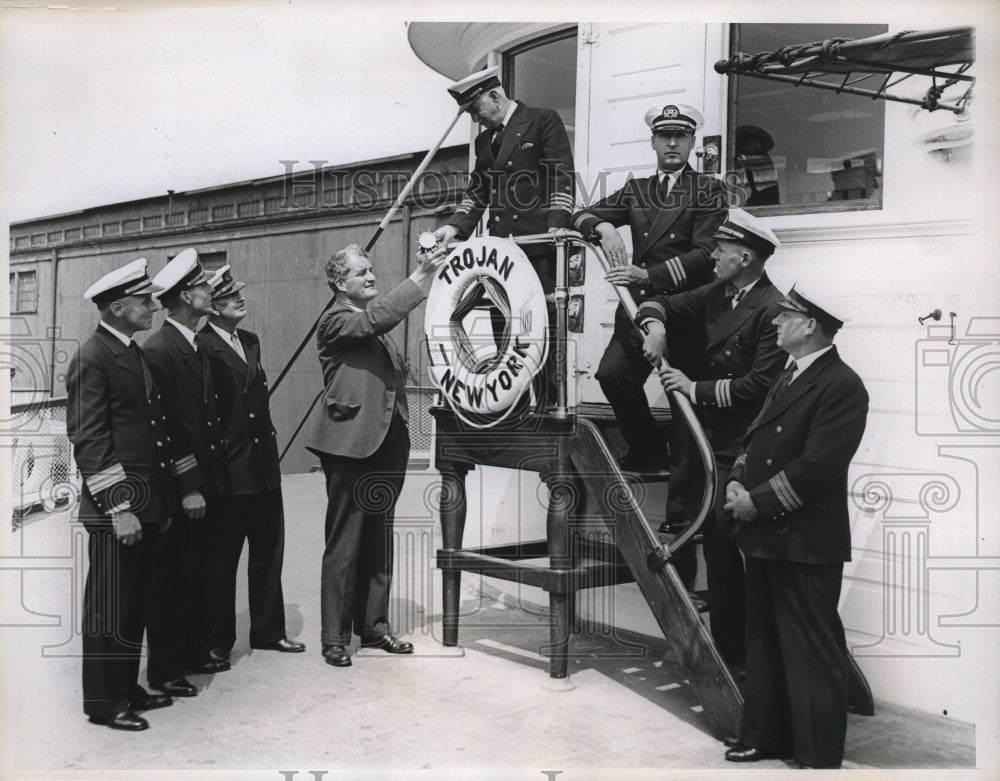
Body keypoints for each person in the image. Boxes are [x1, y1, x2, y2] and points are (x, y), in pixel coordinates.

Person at [722, 284, 869, 769]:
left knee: (811, 646)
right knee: (762, 640)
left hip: (805, 539)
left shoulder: (842, 384)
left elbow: (816, 467)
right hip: (768, 533)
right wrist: (738, 480)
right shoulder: (789, 374)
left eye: (786, 317)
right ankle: (765, 736)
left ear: (810, 326)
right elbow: (757, 438)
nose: (776, 323)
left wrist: (755, 504)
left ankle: (818, 751)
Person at [636, 208, 787, 671]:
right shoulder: (719, 293)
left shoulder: (772, 309)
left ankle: (743, 656)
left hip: (742, 446)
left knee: (729, 547)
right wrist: (657, 325)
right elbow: (659, 299)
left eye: (721, 251)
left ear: (744, 258)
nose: (713, 256)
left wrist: (693, 388)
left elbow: (758, 385)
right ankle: (726, 653)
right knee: (710, 541)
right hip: (705, 439)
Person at [305, 242, 447, 668]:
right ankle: (334, 637)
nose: (370, 276)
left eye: (371, 270)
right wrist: (421, 276)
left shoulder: (372, 327)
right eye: (361, 272)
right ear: (339, 283)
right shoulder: (335, 320)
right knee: (345, 541)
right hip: (351, 445)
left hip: (386, 443)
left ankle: (373, 628)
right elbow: (376, 318)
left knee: (378, 539)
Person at [572, 103, 727, 476]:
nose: (672, 144)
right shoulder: (636, 190)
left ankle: (684, 506)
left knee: (684, 401)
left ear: (692, 142)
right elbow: (577, 214)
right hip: (641, 311)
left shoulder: (709, 189)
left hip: (686, 309)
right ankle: (648, 448)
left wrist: (648, 276)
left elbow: (707, 253)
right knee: (613, 373)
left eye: (681, 136)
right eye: (664, 137)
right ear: (653, 142)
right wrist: (603, 227)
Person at [66, 258, 177, 730]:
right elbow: (89, 438)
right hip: (120, 507)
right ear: (116, 307)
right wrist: (119, 507)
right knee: (111, 605)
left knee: (134, 602)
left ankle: (127, 687)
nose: (153, 306)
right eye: (143, 301)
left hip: (145, 502)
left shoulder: (131, 352)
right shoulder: (93, 357)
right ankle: (104, 702)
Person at [196, 266, 306, 657]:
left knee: (268, 553)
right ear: (211, 306)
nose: (239, 299)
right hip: (230, 470)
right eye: (228, 295)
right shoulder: (202, 345)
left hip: (262, 467)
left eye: (238, 292)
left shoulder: (250, 339)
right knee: (222, 561)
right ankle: (216, 643)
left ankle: (268, 631)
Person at [144, 248, 231, 695]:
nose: (209, 291)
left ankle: (194, 650)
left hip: (209, 483)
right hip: (184, 487)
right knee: (173, 580)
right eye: (201, 287)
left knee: (201, 573)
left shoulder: (192, 344)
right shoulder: (159, 350)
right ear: (182, 297)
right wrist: (190, 485)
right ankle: (165, 668)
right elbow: (168, 428)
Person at [433, 66, 575, 295]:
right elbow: (478, 191)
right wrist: (454, 226)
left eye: (477, 110)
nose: (476, 118)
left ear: (495, 97)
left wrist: (558, 223)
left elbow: (562, 174)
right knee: (503, 320)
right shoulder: (483, 141)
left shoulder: (542, 120)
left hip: (539, 246)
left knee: (540, 323)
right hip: (500, 252)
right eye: (471, 114)